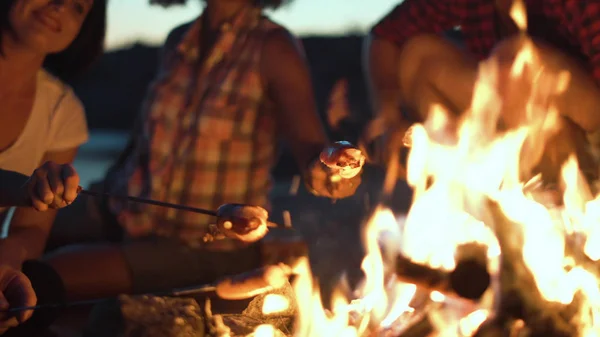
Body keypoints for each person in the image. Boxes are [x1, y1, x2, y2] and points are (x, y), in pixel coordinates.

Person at [42, 0, 362, 304]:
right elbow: (142, 144)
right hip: (128, 214)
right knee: (29, 229)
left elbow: (310, 148)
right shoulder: (179, 40)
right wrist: (97, 199)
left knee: (43, 276)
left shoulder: (274, 47)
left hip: (205, 246)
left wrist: (333, 170)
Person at [364, 0, 600, 182]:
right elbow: (384, 36)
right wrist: (387, 116)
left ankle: (575, 186)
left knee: (517, 62)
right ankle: (480, 193)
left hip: (586, 139)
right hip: (503, 136)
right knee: (418, 57)